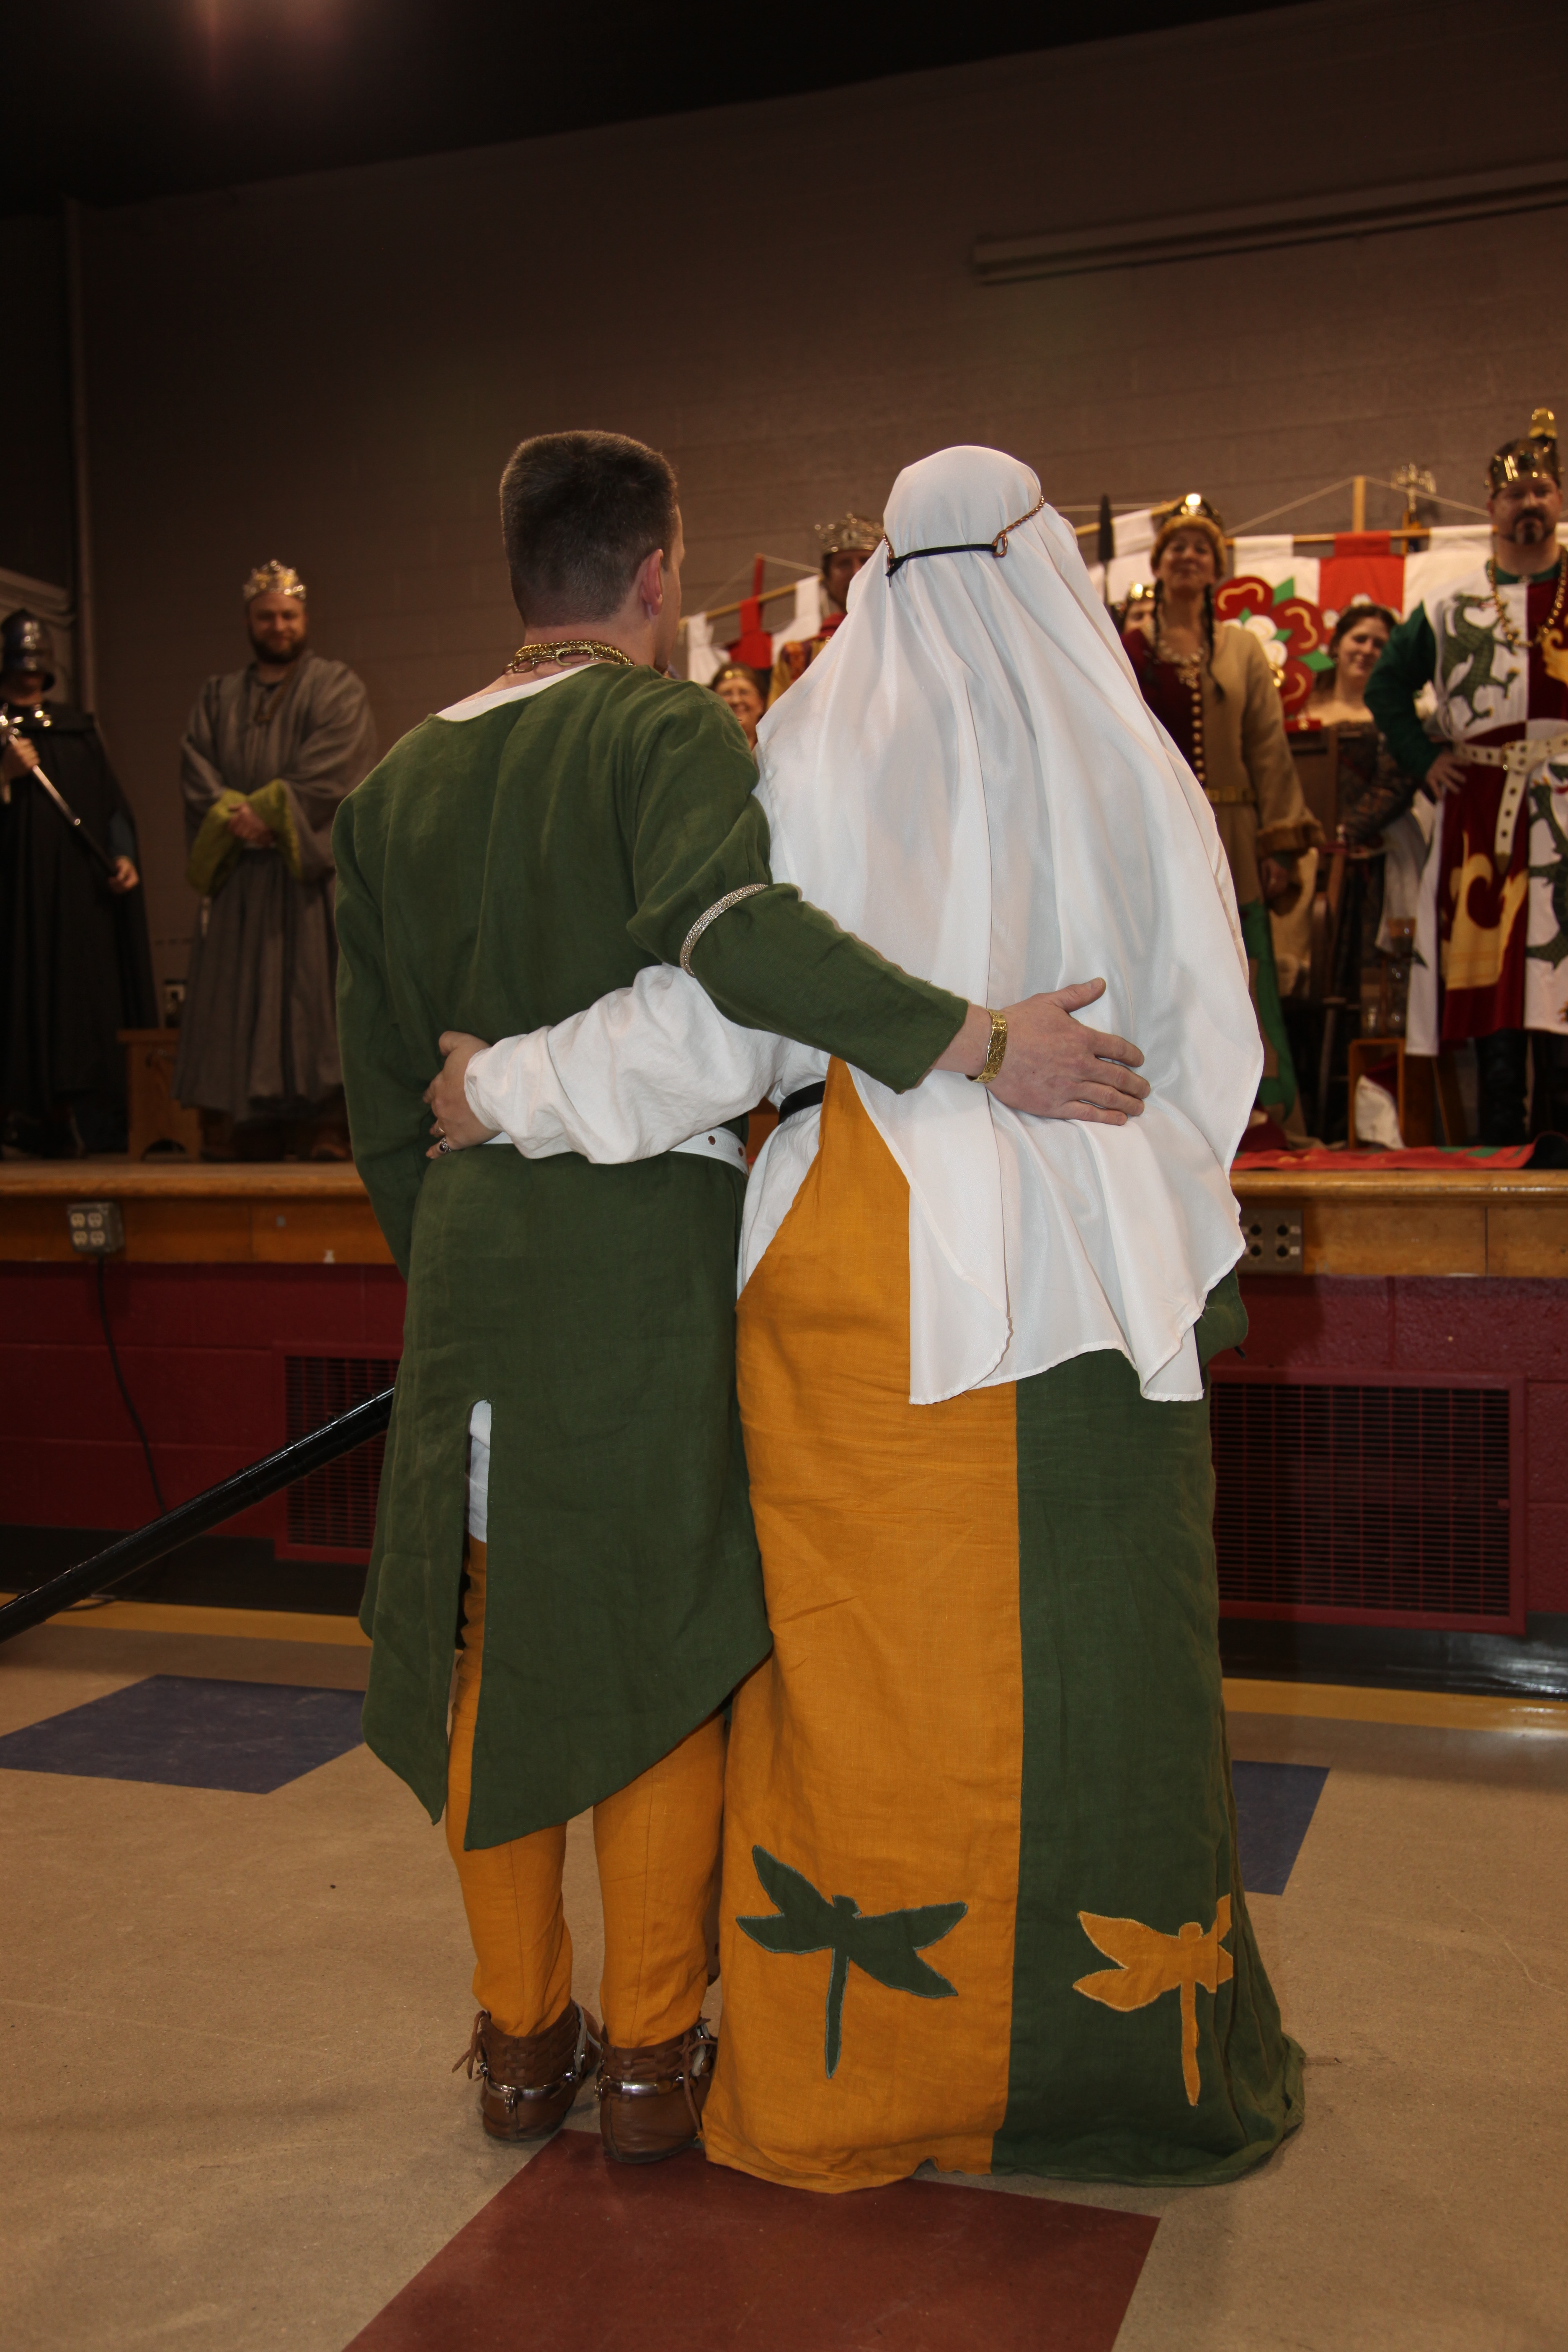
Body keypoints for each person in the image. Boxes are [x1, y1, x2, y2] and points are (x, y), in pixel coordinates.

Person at [426, 446, 1302, 2194]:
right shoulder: (1137, 760)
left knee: (857, 1676)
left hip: (866, 1261)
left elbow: (718, 1025)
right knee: (1111, 1669)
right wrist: (1146, 1192)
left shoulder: (819, 740)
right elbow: (1221, 1037)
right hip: (1111, 1267)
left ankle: (862, 2070)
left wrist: (501, 1087)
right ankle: (1137, 2063)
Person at [1366, 409, 1568, 1142]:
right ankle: (1503, 1154)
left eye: (1540, 491)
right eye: (1514, 495)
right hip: (1485, 815)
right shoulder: (1449, 606)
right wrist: (1426, 762)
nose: (1528, 504)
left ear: (1558, 500)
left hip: (1564, 812)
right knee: (1493, 987)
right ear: (1491, 508)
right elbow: (1385, 686)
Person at [1123, 494, 1324, 1127]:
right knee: (1168, 963)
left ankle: (1264, 1109)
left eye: (1201, 548)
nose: (1189, 557)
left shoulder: (1240, 650)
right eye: (1178, 547)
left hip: (1233, 837)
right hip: (1158, 837)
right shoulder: (1130, 649)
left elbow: (1268, 749)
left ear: (1218, 567)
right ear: (1158, 563)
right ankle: (1172, 1107)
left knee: (1244, 968)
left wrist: (1278, 844)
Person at [173, 562, 377, 1159]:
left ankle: (326, 1125)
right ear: (249, 621)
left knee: (313, 998)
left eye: (288, 615)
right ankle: (249, 1125)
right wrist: (234, 816)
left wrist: (268, 811)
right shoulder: (217, 696)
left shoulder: (336, 687)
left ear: (304, 618)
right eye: (267, 616)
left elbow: (337, 766)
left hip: (305, 878)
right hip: (240, 878)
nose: (279, 626)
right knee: (236, 999)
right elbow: (196, 768)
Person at [0, 611, 155, 1155]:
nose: (29, 677)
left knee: (85, 1005)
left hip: (78, 901)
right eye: (20, 667)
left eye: (36, 667)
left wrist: (122, 854)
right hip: (16, 902)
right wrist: (4, 775)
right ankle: (26, 1117)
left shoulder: (75, 730)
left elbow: (111, 804)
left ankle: (92, 1118)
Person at [767, 513, 882, 704]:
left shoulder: (907, 639)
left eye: (866, 562)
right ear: (827, 580)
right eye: (844, 564)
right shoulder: (796, 656)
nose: (856, 572)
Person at [1304, 602, 1396, 727]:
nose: (1368, 650)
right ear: (1337, 645)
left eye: (1379, 645)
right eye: (1360, 639)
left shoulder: (1398, 714)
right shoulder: (1301, 707)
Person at [709, 660, 767, 748]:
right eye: (727, 693)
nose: (736, 701)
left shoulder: (777, 750)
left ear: (761, 704)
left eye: (744, 692)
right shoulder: (700, 753)